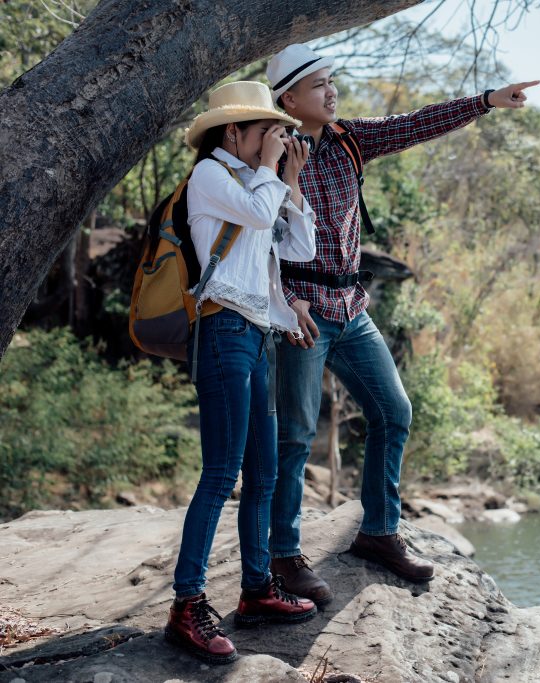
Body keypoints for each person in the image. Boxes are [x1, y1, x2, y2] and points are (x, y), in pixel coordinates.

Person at [264, 43, 539, 600]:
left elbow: (414, 123)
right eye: (319, 86)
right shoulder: (269, 152)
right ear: (290, 98)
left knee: (394, 411)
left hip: (351, 308)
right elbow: (259, 239)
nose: (332, 91)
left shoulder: (349, 140)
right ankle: (283, 558)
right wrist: (287, 300)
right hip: (302, 311)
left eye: (332, 81)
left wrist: (485, 101)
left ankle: (379, 534)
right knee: (294, 437)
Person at [163, 81, 320, 664]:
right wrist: (273, 171)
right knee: (221, 472)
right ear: (233, 133)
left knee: (263, 473)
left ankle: (256, 590)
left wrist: (291, 179)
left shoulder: (265, 182)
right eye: (266, 130)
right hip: (224, 333)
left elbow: (298, 248)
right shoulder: (212, 176)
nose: (275, 139)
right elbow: (257, 213)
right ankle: (186, 605)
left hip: (259, 338)